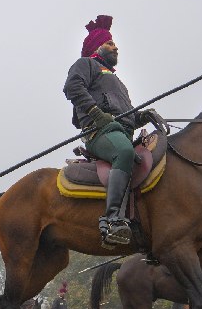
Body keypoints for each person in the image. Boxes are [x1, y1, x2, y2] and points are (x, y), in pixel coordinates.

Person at [63, 14, 150, 250]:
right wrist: (96, 113)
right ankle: (111, 219)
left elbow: (126, 112)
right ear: (96, 47)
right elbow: (72, 87)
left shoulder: (118, 81)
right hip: (99, 131)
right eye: (109, 43)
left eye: (114, 43)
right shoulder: (86, 65)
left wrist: (142, 116)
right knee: (123, 152)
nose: (115, 46)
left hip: (121, 130)